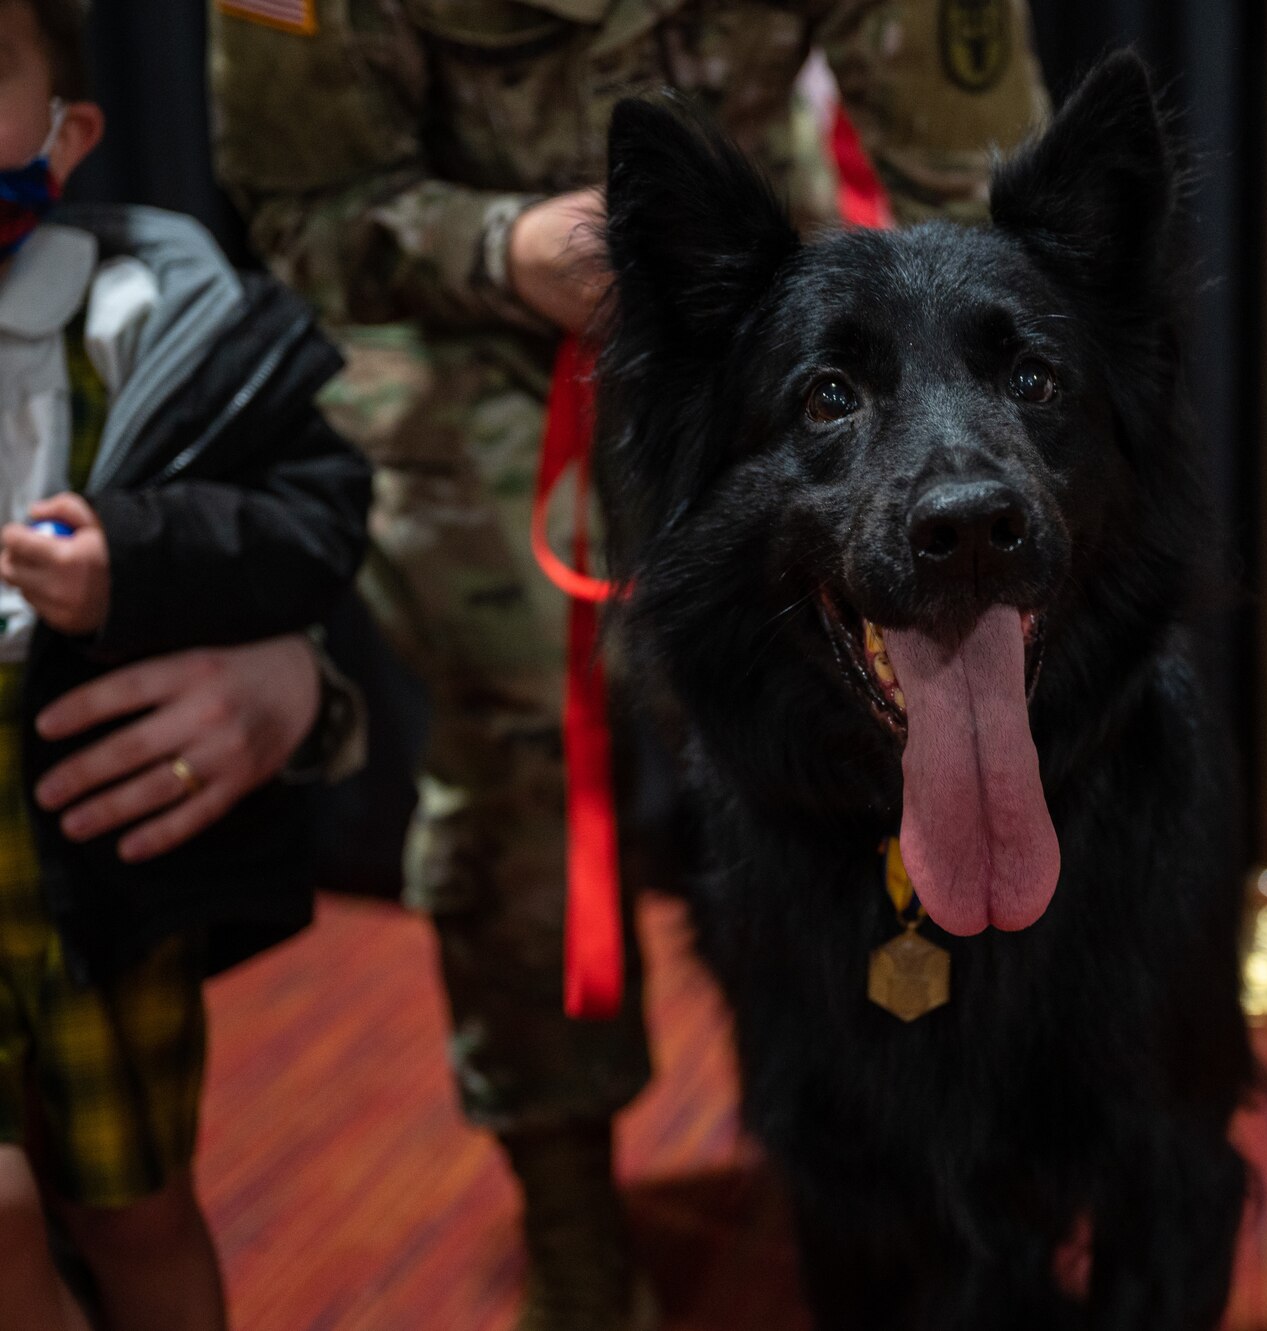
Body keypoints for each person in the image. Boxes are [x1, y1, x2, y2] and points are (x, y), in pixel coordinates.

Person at [211, 2, 1048, 1326]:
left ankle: (914, 1155)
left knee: (887, 712)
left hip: (751, 308)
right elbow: (300, 207)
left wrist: (960, 385)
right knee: (527, 775)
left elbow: (982, 169)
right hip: (468, 352)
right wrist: (499, 248)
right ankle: (570, 1221)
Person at [0, 0, 373, 1326]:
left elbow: (311, 513)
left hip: (90, 867)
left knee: (135, 1203)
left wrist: (140, 562)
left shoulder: (148, 318)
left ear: (67, 132)